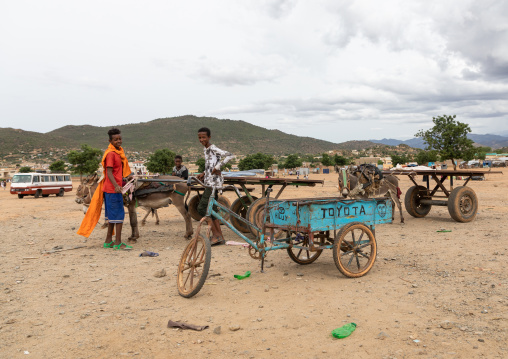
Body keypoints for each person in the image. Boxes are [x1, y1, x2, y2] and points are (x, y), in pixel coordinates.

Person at [77, 128, 133, 250]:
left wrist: (128, 177)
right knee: (119, 216)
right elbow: (109, 172)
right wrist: (117, 186)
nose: (119, 141)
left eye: (120, 139)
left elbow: (117, 171)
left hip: (111, 189)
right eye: (115, 139)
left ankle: (108, 241)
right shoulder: (111, 154)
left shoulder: (118, 152)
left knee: (112, 216)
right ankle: (118, 243)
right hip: (113, 189)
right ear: (110, 140)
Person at [196, 127, 234, 246]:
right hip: (209, 182)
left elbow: (230, 155)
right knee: (212, 210)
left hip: (213, 184)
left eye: (204, 137)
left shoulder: (212, 148)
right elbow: (210, 164)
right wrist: (203, 172)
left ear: (209, 137)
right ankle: (219, 236)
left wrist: (218, 168)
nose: (201, 139)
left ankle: (217, 235)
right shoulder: (206, 149)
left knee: (202, 208)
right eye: (199, 137)